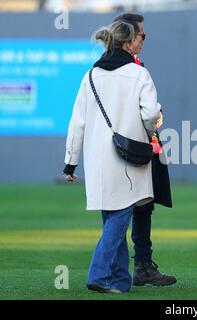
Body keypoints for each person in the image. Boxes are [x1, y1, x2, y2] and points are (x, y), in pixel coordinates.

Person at [63, 19, 162, 293]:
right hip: (128, 157)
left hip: (97, 161)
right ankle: (99, 273)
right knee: (120, 216)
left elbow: (77, 123)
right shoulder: (139, 74)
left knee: (112, 216)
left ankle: (119, 280)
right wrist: (150, 129)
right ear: (129, 43)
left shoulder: (90, 76)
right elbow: (151, 114)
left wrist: (70, 162)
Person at [112, 13, 176, 287]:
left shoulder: (133, 65)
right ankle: (122, 269)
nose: (143, 40)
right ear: (129, 37)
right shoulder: (128, 69)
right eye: (142, 35)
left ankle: (141, 264)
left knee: (143, 207)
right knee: (125, 210)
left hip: (139, 145)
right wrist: (156, 118)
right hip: (128, 147)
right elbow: (148, 113)